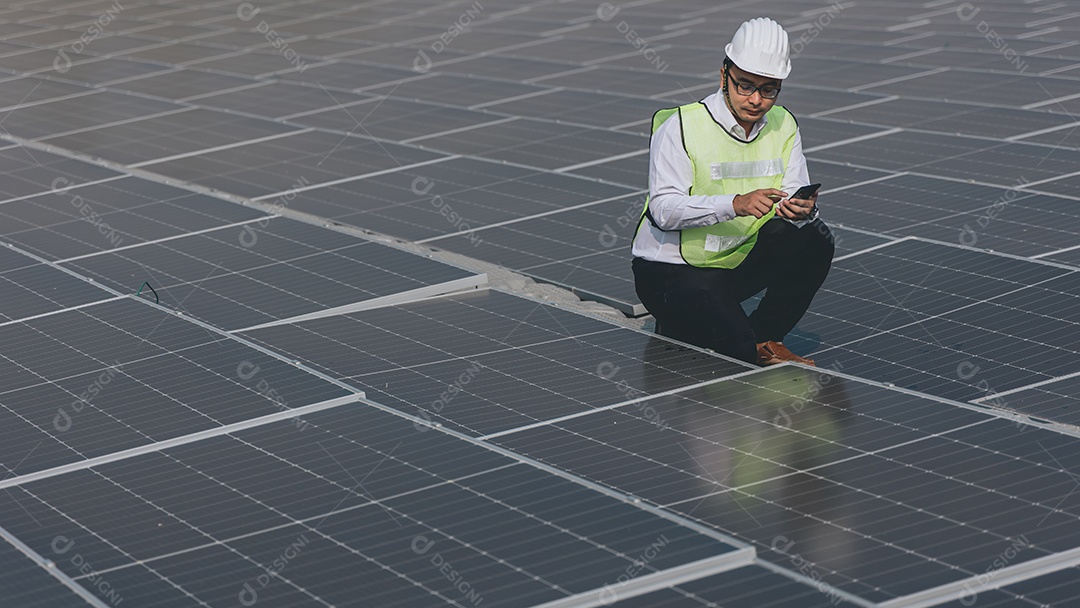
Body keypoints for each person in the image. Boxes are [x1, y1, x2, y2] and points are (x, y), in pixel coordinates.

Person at [631, 17, 834, 367]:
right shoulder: (681, 126)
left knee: (815, 238)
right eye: (745, 85)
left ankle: (766, 336)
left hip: (732, 262)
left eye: (769, 90)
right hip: (672, 273)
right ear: (724, 74)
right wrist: (735, 204)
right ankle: (686, 321)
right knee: (737, 356)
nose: (756, 100)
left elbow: (791, 192)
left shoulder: (783, 124)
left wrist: (802, 209)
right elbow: (663, 211)